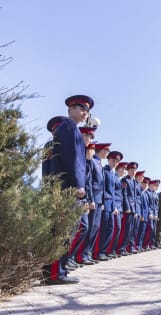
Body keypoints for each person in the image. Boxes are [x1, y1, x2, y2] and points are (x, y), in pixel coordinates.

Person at [44, 94, 93, 285]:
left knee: (66, 230)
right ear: (70, 109)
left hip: (67, 188)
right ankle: (56, 273)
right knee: (63, 231)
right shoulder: (67, 128)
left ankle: (55, 271)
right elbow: (70, 161)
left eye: (86, 110)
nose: (84, 112)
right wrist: (76, 186)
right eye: (81, 108)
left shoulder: (71, 129)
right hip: (67, 189)